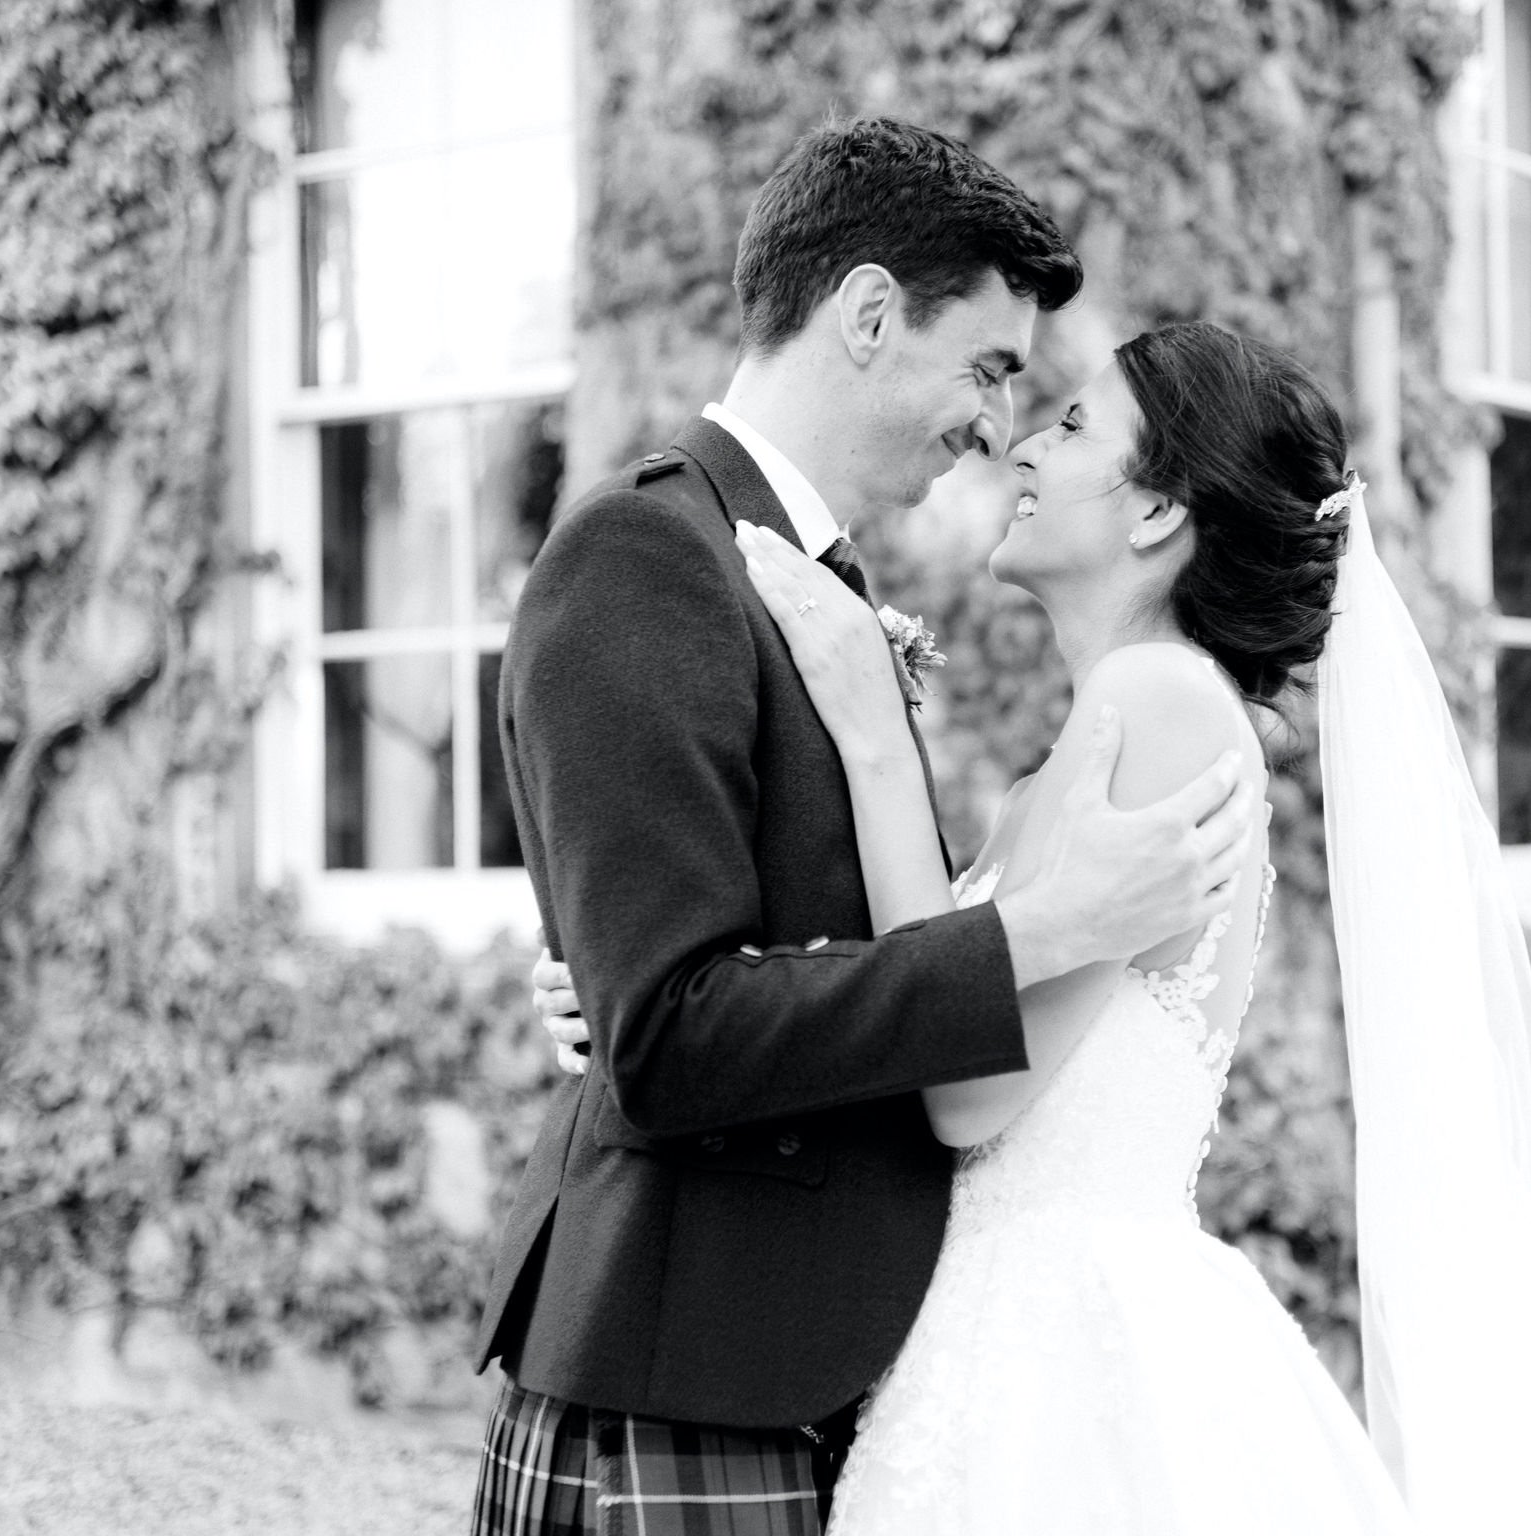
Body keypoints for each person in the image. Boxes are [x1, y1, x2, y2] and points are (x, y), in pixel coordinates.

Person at [535, 322, 1531, 1534]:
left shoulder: (1154, 704)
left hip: (1059, 1352)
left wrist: (867, 732)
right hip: (999, 1328)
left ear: (1156, 512)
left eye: (1068, 427)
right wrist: (647, 972)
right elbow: (932, 980)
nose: (1019, 448)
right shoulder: (1100, 736)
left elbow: (960, 1094)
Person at [472, 119, 1259, 1536]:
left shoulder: (807, 586)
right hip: (685, 1382)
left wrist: (613, 978)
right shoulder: (648, 555)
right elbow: (674, 1035)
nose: (995, 422)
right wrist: (1037, 933)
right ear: (872, 314)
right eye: (988, 367)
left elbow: (702, 970)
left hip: (803, 1376)